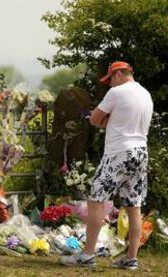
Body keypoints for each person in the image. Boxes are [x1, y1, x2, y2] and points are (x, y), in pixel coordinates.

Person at [59, 61, 154, 270]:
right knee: (133, 205)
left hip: (118, 153)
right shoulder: (145, 94)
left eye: (110, 79)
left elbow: (94, 119)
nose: (109, 84)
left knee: (96, 200)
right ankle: (131, 259)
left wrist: (98, 117)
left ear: (119, 74)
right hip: (140, 152)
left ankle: (87, 255)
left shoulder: (117, 92)